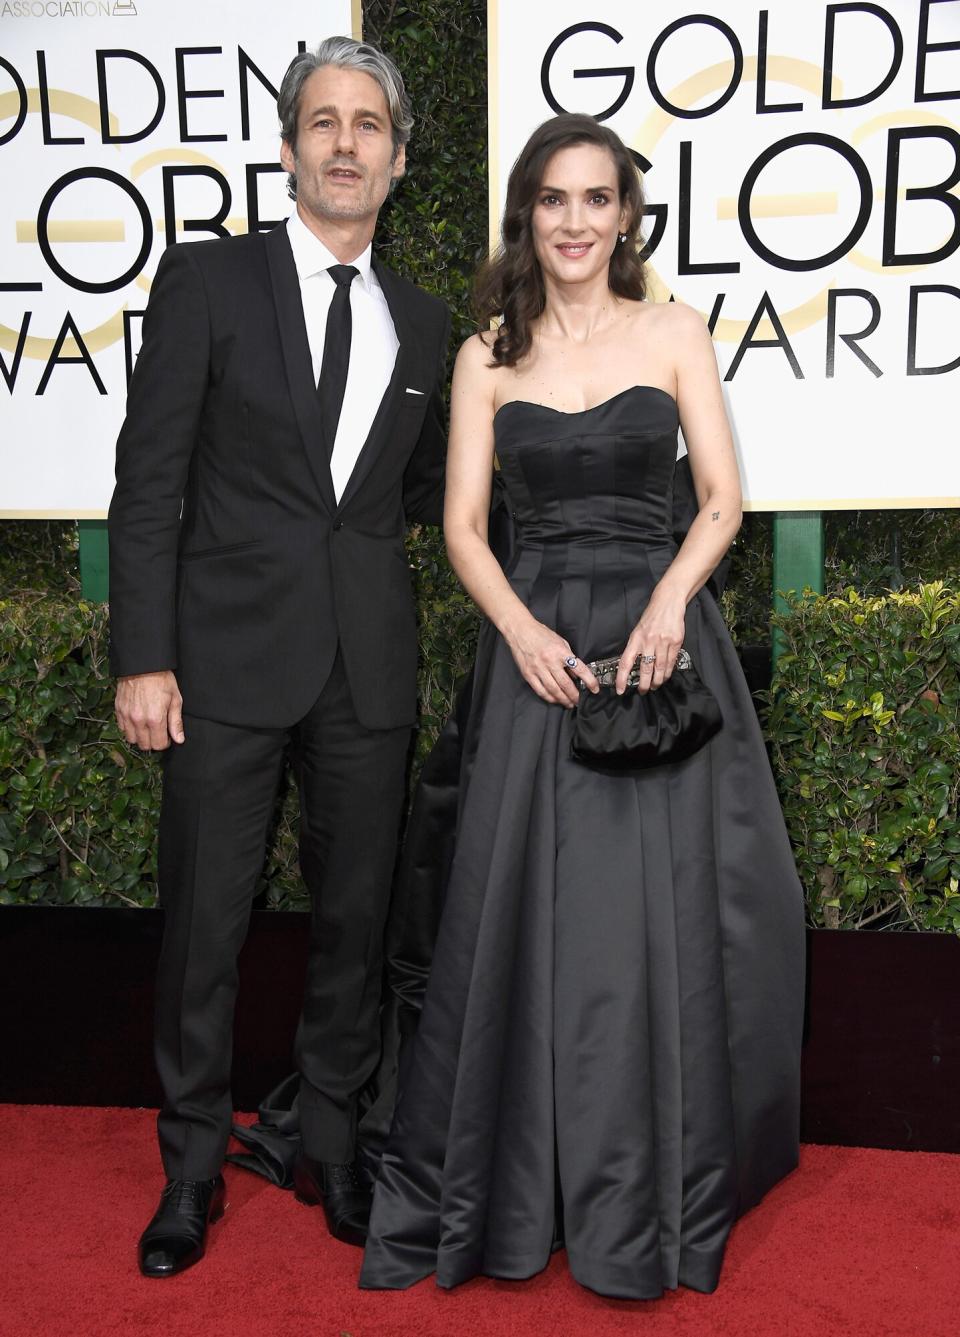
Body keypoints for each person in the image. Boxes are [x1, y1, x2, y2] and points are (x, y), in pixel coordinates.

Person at [360, 113, 805, 1300]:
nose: (574, 221)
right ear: (528, 215)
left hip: (660, 645)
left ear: (626, 214)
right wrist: (521, 630)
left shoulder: (674, 331)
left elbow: (721, 497)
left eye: (596, 199)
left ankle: (654, 1176)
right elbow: (461, 526)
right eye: (554, 200)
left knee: (647, 923)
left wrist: (666, 609)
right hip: (537, 651)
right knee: (525, 922)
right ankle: (516, 1178)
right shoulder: (484, 355)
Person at [107, 35, 450, 1277]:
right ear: (292, 145)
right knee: (204, 926)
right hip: (221, 662)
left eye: (369, 125)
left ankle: (335, 1146)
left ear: (400, 160)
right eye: (324, 121)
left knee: (355, 927)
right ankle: (191, 1171)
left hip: (367, 667)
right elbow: (148, 482)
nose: (346, 142)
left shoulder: (427, 321)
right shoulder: (207, 281)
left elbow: (410, 491)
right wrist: (143, 653)